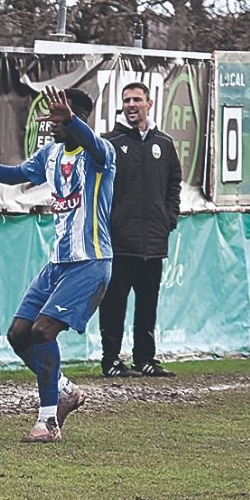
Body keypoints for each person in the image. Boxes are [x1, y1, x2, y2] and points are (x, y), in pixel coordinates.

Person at [0, 88, 108, 443]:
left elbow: (91, 143)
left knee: (42, 331)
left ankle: (48, 421)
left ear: (75, 117)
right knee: (19, 333)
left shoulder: (99, 153)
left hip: (91, 261)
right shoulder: (51, 154)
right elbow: (14, 175)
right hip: (59, 263)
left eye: (58, 118)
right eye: (52, 118)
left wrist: (71, 120)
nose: (51, 125)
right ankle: (64, 390)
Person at [98, 81, 183, 378]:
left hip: (153, 242)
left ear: (149, 103)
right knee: (114, 305)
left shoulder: (165, 144)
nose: (131, 105)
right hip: (119, 241)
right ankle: (110, 361)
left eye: (136, 99)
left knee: (147, 306)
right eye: (126, 100)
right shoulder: (109, 142)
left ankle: (145, 359)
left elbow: (174, 186)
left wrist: (167, 219)